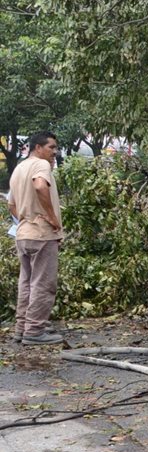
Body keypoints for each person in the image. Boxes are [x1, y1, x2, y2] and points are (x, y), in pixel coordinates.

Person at [7, 132, 65, 345]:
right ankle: (34, 331)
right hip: (41, 234)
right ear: (38, 148)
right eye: (51, 147)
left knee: (26, 283)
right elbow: (40, 186)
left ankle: (22, 328)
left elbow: (11, 204)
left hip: (23, 234)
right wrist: (52, 218)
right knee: (43, 283)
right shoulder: (41, 165)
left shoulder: (19, 168)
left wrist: (25, 217)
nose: (54, 152)